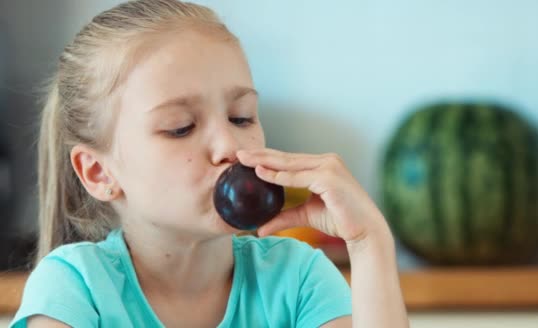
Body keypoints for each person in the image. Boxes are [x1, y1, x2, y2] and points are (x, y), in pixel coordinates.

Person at [10, 0, 409, 327]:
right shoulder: (75, 289)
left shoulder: (298, 277)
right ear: (99, 173)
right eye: (181, 128)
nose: (229, 146)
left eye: (242, 117)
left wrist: (368, 241)